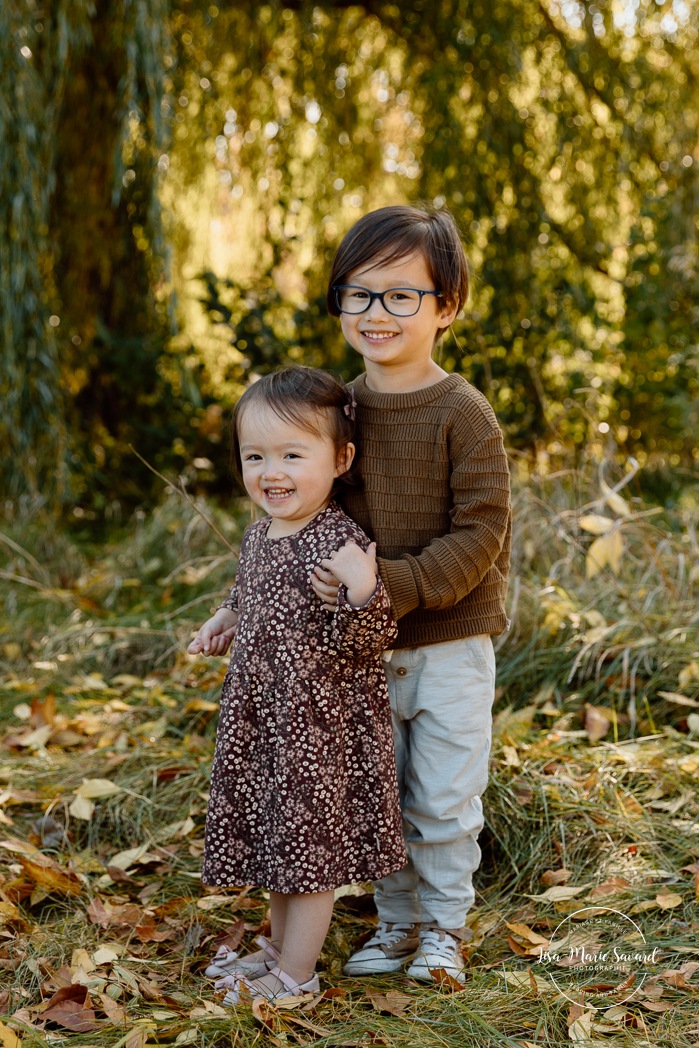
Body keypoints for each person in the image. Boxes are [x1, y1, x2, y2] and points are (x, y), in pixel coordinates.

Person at [311, 204, 511, 984]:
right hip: (361, 646)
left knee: (442, 797)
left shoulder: (462, 414)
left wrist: (387, 585)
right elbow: (310, 508)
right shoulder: (336, 411)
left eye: (401, 296)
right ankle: (395, 923)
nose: (376, 313)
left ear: (446, 306)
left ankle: (443, 930)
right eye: (357, 294)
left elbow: (480, 531)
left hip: (449, 643)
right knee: (378, 789)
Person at [188, 366, 406, 1005]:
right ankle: (278, 953)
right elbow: (252, 592)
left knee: (307, 851)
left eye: (291, 454)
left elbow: (369, 640)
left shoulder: (338, 543)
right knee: (278, 840)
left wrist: (363, 590)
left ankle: (298, 977)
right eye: (255, 456)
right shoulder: (260, 534)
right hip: (265, 720)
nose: (270, 472)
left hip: (318, 727)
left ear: (340, 459)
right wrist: (227, 617)